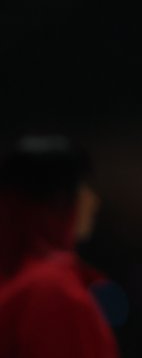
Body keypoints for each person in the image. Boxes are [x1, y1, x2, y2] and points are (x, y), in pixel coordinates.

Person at [0, 135, 120, 358]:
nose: (93, 201)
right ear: (58, 201)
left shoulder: (20, 281)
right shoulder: (52, 293)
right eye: (83, 188)